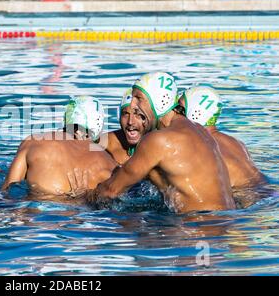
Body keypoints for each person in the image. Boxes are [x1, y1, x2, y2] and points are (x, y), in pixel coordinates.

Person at [84, 72, 236, 213]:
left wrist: (82, 200)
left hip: (196, 229)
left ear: (158, 102)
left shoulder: (158, 140)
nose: (132, 105)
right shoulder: (199, 130)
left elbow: (111, 190)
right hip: (224, 224)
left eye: (138, 98)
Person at [2, 96, 117, 198]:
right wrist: (82, 199)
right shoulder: (110, 166)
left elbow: (7, 192)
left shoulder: (33, 142)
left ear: (67, 118)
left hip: (32, 215)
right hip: (75, 216)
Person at [179, 86, 266, 189]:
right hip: (271, 193)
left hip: (254, 202)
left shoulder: (202, 146)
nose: (175, 113)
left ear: (195, 114)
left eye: (179, 109)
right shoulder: (236, 143)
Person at [100, 88, 150, 165]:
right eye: (126, 114)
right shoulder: (106, 143)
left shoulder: (163, 144)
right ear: (119, 117)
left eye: (138, 115)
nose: (130, 122)